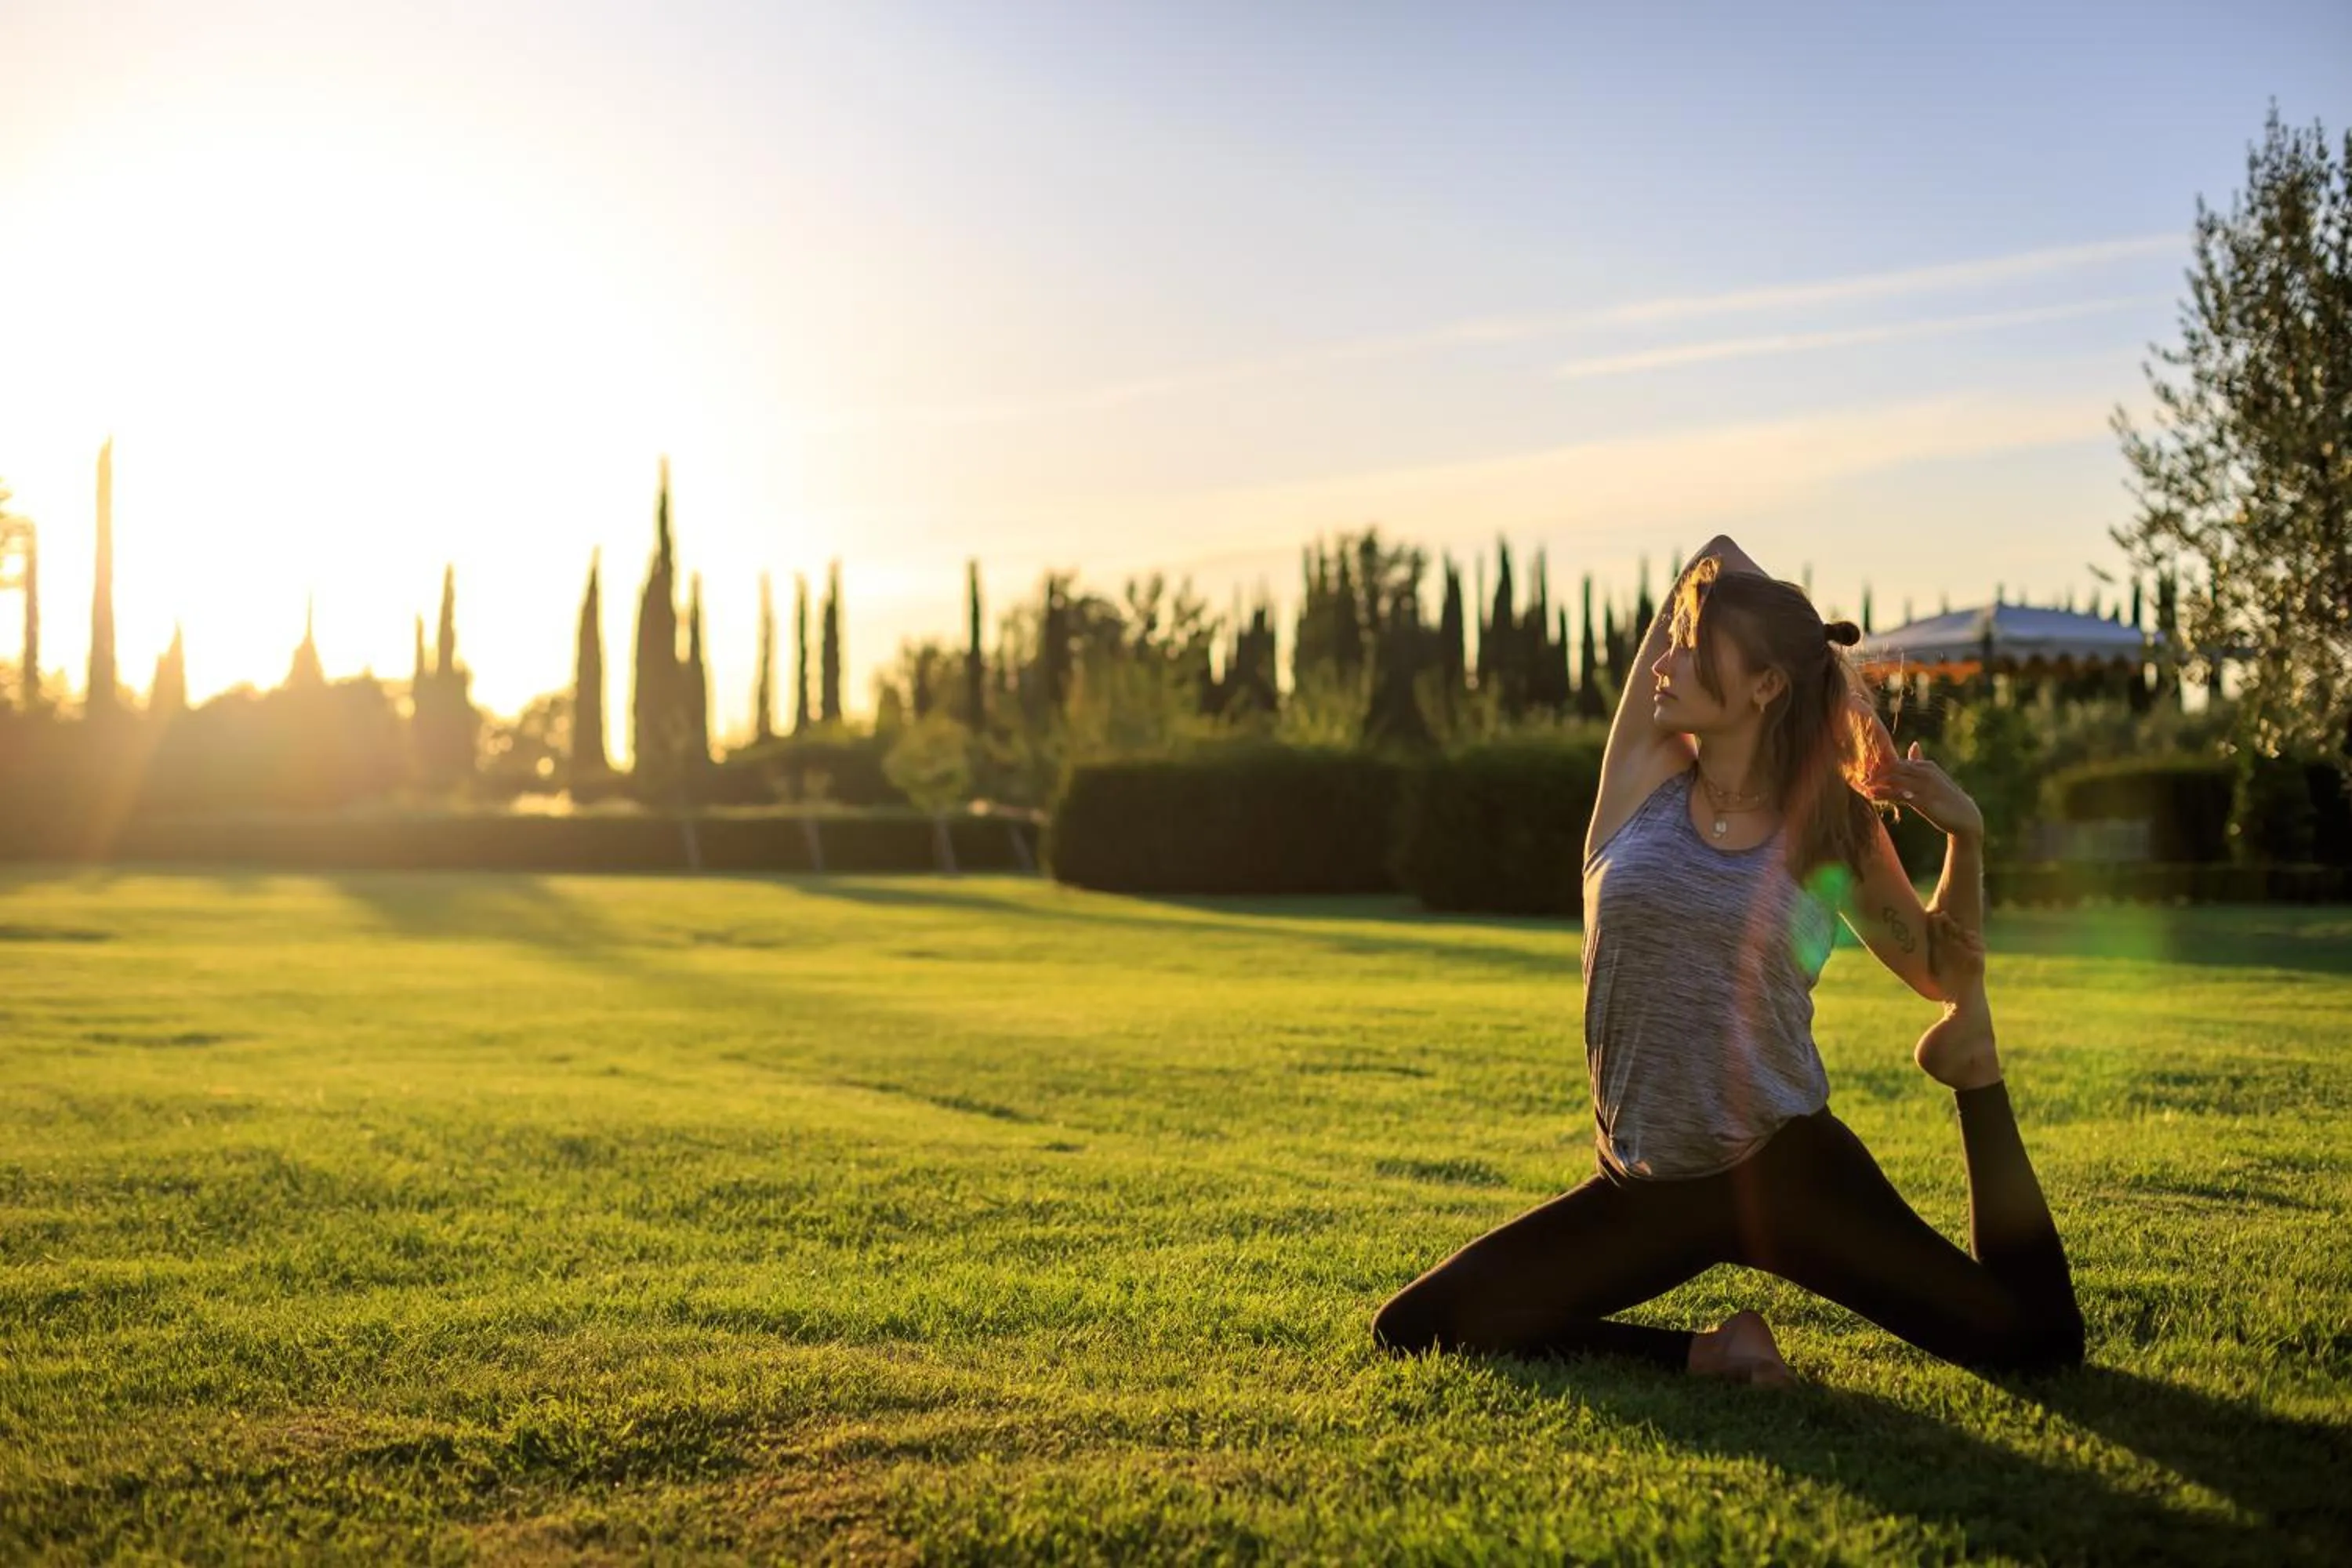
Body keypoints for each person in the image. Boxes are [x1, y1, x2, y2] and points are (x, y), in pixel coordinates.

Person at [1372, 536, 2084, 1384]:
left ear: (1765, 684)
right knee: (1418, 1323)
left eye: (1691, 645)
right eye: (1671, 639)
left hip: (1788, 1171)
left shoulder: (1827, 827)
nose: (1663, 661)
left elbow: (1939, 968)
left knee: (2034, 1344)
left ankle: (1977, 1072)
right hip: (1646, 1186)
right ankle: (1714, 1353)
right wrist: (1833, 679)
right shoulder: (1640, 776)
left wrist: (1965, 837)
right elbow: (1713, 551)